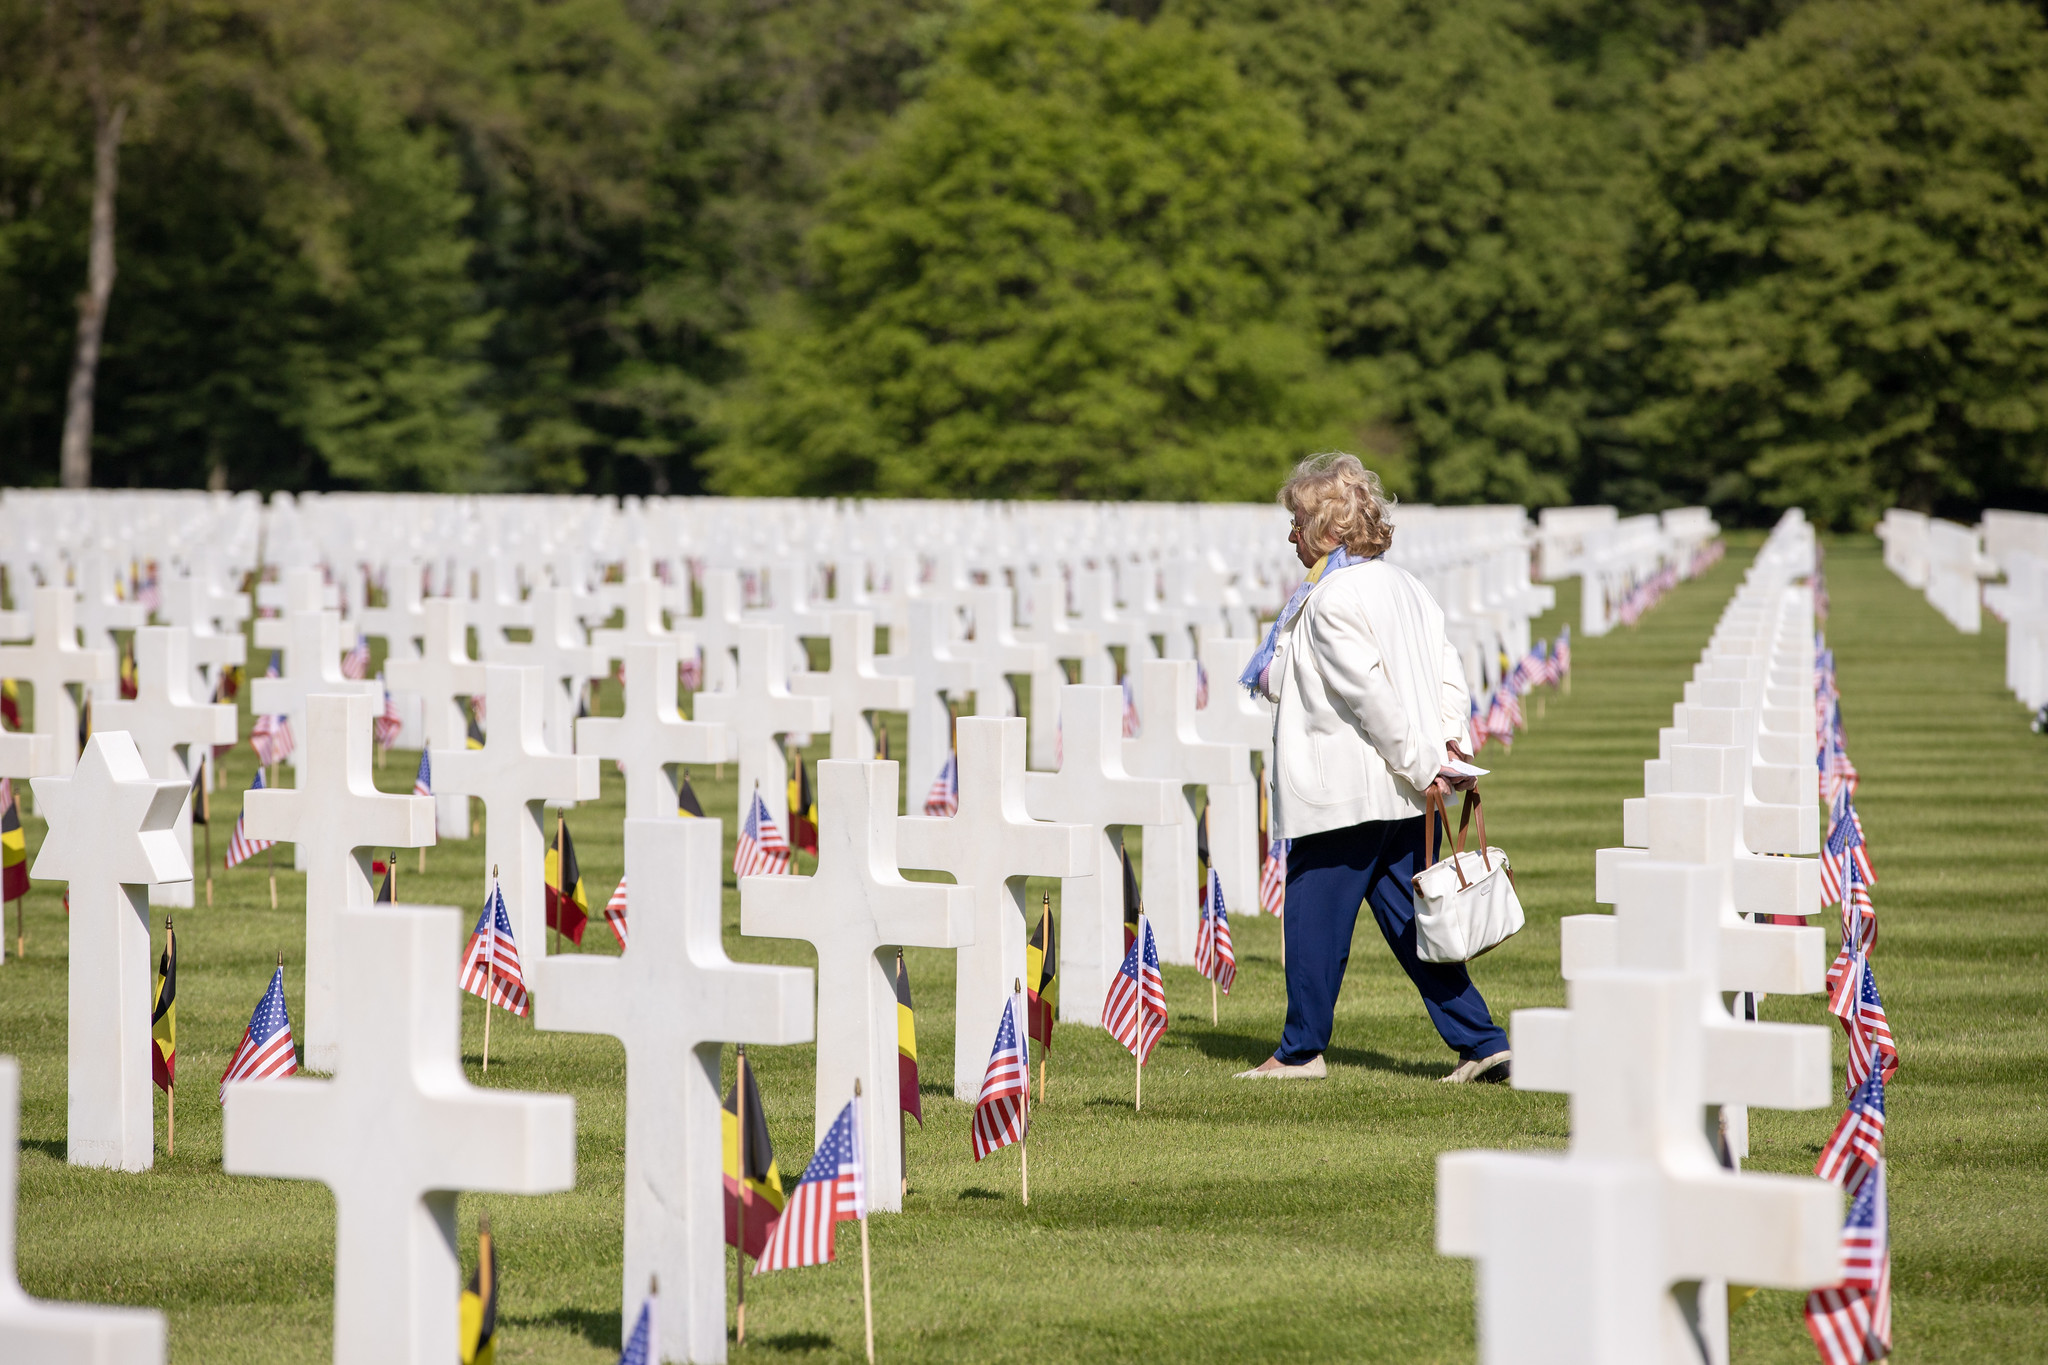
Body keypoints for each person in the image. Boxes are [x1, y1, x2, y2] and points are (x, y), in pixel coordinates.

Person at [1234, 453, 1510, 1084]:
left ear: (1329, 529)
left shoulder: (1331, 599)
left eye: (1299, 520)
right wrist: (1448, 748)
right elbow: (1448, 675)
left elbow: (1371, 697)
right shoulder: (1409, 587)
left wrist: (1423, 764)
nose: (1290, 535)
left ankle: (1301, 1051)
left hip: (1347, 792)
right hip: (1405, 796)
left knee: (1312, 923)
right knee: (1419, 921)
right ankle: (1482, 1042)